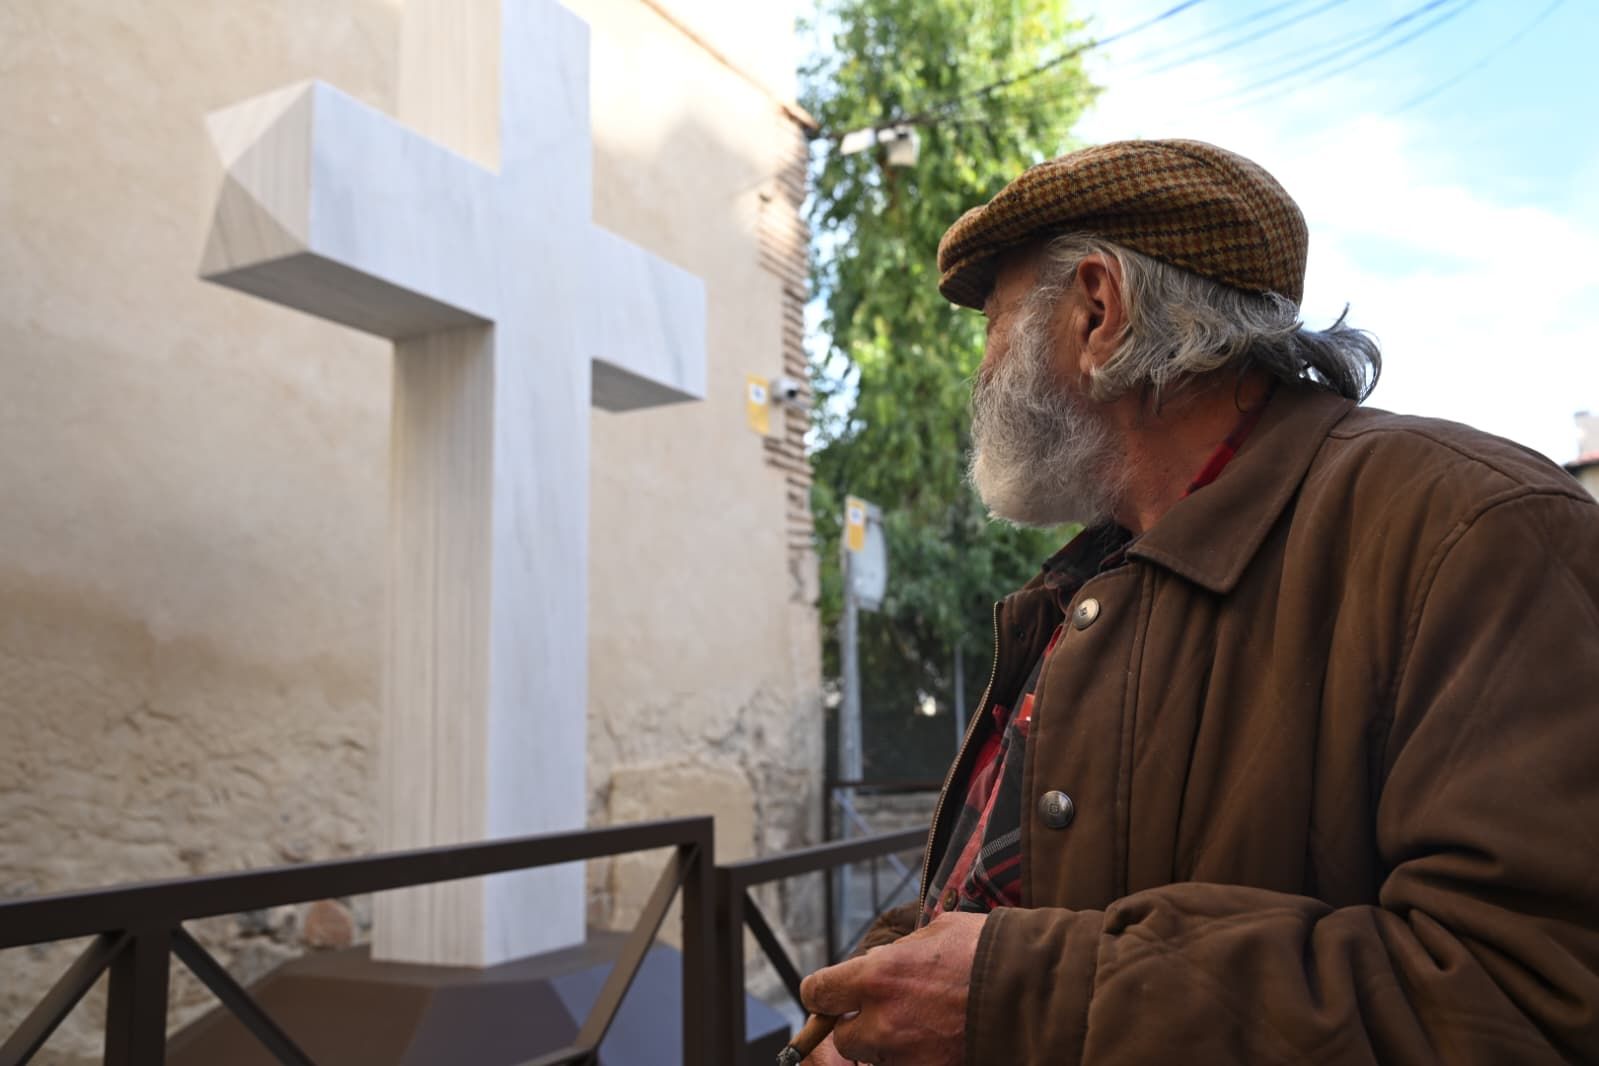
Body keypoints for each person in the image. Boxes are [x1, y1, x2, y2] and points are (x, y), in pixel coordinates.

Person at [798, 138, 1599, 1065]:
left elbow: (1525, 994)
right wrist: (867, 1005)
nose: (980, 376)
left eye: (994, 326)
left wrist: (1017, 999)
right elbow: (1008, 893)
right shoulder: (1097, 575)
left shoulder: (1473, 528)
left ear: (1097, 310)